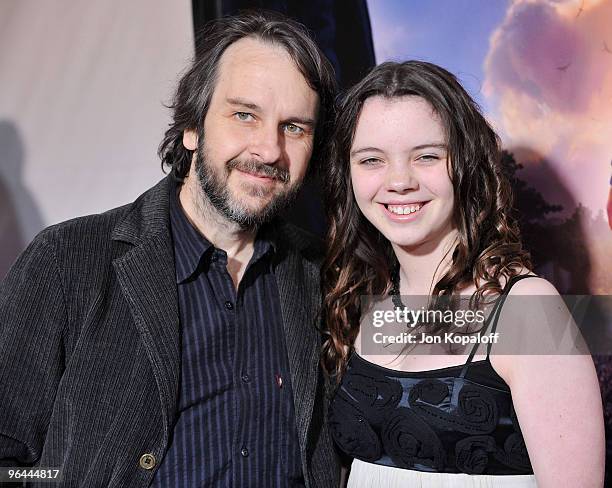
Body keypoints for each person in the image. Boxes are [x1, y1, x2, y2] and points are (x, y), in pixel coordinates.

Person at [0, 12, 340, 487]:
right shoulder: (66, 261)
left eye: (295, 128)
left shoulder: (329, 275)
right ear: (192, 128)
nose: (268, 149)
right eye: (245, 115)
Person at [321, 61, 604, 487]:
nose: (399, 181)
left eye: (427, 156)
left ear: (467, 163)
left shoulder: (528, 310)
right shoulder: (365, 300)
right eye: (372, 160)